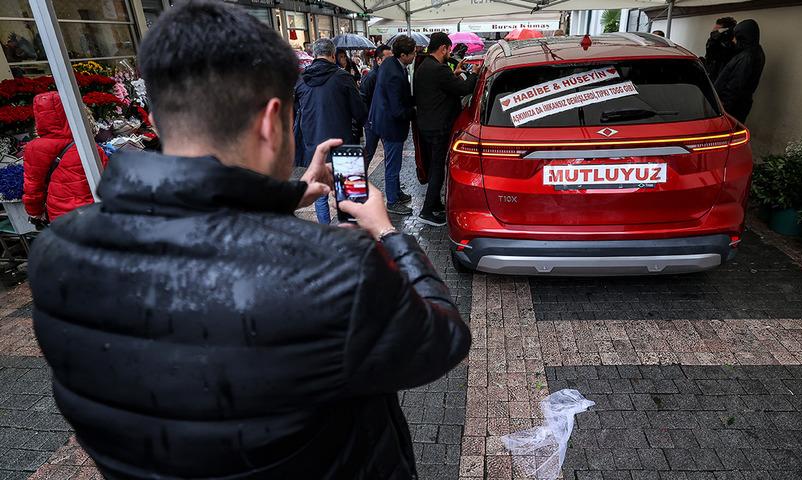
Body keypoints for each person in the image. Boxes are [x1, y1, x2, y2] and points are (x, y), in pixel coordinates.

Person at [28, 2, 470, 479]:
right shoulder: (333, 266)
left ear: (155, 118)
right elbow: (442, 340)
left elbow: (205, 234)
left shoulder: (59, 253)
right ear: (269, 120)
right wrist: (385, 233)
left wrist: (289, 196)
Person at [295, 38, 367, 224]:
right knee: (349, 195)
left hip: (314, 147)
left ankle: (327, 232)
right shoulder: (343, 78)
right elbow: (359, 112)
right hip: (344, 145)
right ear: (333, 55)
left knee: (320, 195)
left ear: (313, 55)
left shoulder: (301, 81)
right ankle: (349, 234)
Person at [413, 32, 477, 227]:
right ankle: (426, 211)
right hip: (438, 127)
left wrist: (454, 74)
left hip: (426, 124)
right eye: (449, 49)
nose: (450, 52)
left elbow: (442, 87)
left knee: (434, 166)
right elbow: (464, 89)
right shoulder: (439, 69)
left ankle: (435, 204)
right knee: (437, 169)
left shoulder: (424, 66)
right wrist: (473, 73)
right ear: (443, 48)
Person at [22, 91, 109, 223]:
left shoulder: (33, 148)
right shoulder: (87, 146)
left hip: (59, 216)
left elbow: (33, 187)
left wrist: (35, 212)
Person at [367, 35, 416, 216]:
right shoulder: (395, 73)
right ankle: (393, 201)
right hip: (391, 125)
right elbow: (397, 110)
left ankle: (396, 193)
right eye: (412, 54)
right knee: (393, 165)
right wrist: (414, 111)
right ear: (403, 55)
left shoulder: (390, 63)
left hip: (383, 121)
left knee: (393, 162)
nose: (413, 57)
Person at [714, 19, 765, 123]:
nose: (733, 40)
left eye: (735, 37)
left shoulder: (747, 57)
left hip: (732, 107)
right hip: (737, 105)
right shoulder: (753, 52)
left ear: (743, 37)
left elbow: (735, 85)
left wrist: (723, 104)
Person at [360, 45, 392, 167]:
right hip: (372, 122)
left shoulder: (387, 74)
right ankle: (358, 179)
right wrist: (368, 120)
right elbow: (363, 99)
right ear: (378, 60)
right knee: (369, 151)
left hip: (384, 121)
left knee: (389, 152)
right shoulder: (371, 77)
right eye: (387, 59)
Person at [704, 16, 737, 81]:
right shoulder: (714, 41)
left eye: (717, 29)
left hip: (720, 80)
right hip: (710, 75)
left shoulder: (730, 45)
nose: (713, 31)